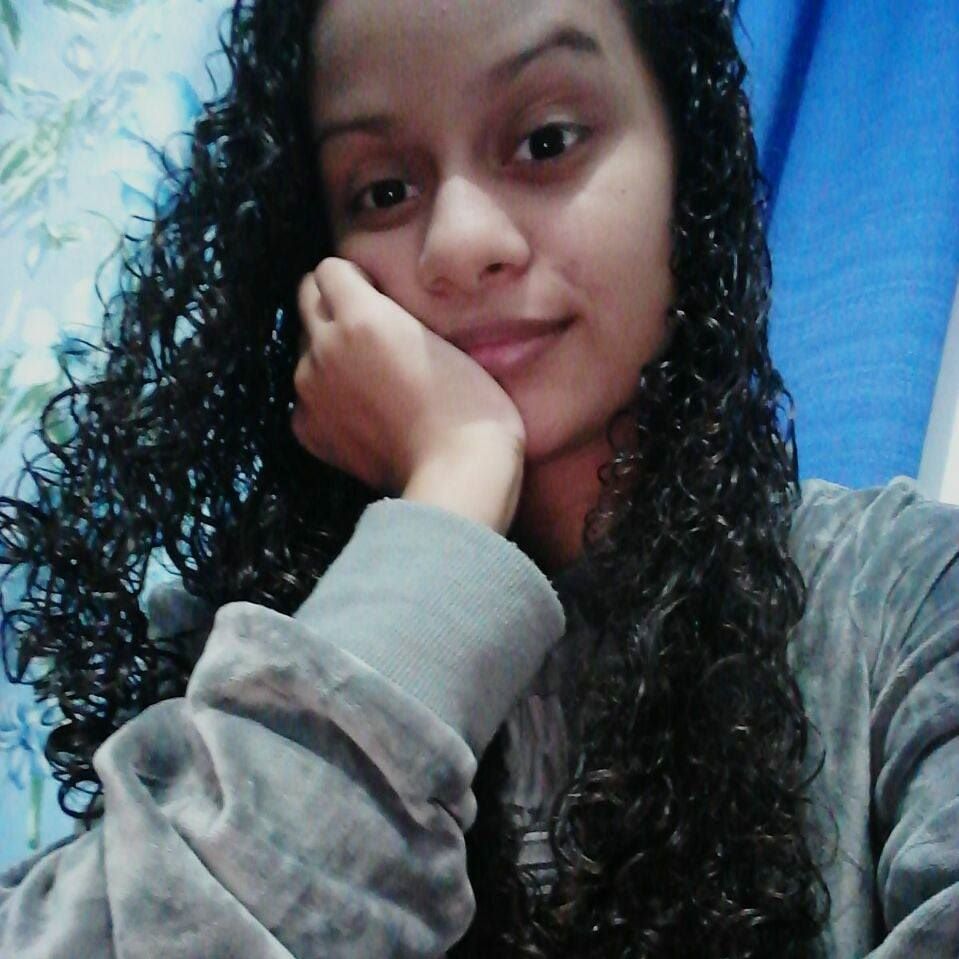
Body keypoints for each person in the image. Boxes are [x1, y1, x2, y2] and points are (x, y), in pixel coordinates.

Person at [1, 0, 957, 955]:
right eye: (382, 191)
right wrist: (451, 490)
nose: (459, 243)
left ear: (690, 159)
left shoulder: (905, 604)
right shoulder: (223, 671)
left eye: (546, 142)